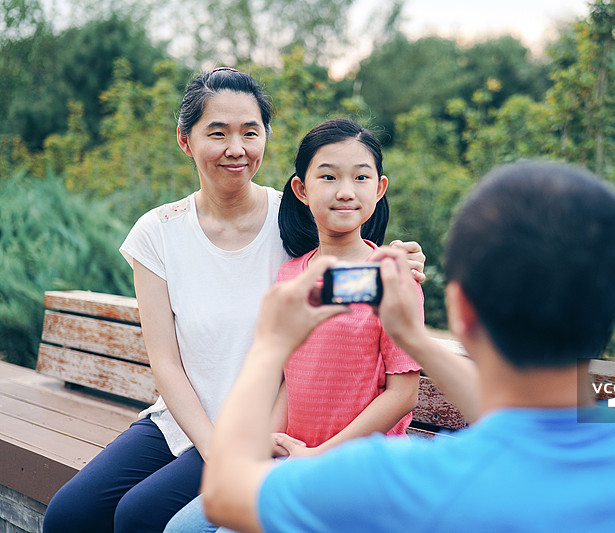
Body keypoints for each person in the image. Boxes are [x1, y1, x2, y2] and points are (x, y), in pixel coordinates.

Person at [201, 160, 615, 533]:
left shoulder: (400, 481)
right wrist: (414, 339)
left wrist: (271, 344)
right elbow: (527, 419)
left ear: (461, 310)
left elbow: (225, 493)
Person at [41, 68, 425, 533]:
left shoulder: (295, 218)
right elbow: (165, 363)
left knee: (139, 515)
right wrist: (215, 448)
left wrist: (403, 258)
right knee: (68, 516)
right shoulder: (158, 232)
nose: (236, 148)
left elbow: (353, 237)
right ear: (185, 140)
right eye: (218, 133)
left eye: (250, 132)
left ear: (265, 136)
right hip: (186, 420)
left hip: (264, 428)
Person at [164, 118, 424, 532]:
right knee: (181, 528)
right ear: (301, 190)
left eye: (360, 177)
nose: (345, 191)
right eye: (328, 176)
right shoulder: (291, 276)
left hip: (357, 468)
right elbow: (293, 375)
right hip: (293, 458)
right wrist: (266, 444)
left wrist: (319, 455)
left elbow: (402, 395)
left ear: (379, 189)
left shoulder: (395, 276)